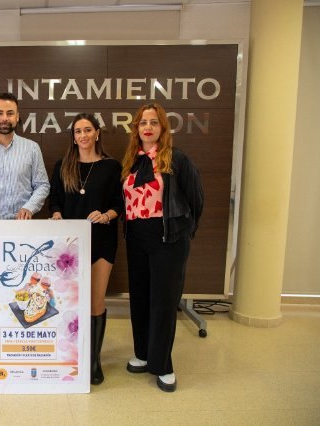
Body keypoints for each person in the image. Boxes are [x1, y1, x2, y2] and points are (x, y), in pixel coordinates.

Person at [121, 103, 203, 392]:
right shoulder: (131, 161)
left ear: (162, 128)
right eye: (143, 123)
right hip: (136, 239)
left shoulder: (176, 159)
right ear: (136, 128)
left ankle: (163, 364)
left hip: (168, 240)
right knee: (140, 299)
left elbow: (196, 200)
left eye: (154, 122)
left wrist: (184, 231)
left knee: (163, 303)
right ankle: (143, 354)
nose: (148, 127)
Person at [49, 113, 123, 385]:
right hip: (69, 247)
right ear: (73, 137)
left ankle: (93, 360)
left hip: (102, 240)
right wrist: (56, 213)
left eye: (88, 130)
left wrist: (106, 215)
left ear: (97, 133)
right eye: (78, 131)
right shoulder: (63, 166)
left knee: (95, 301)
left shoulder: (111, 166)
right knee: (69, 302)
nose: (83, 135)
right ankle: (72, 355)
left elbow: (119, 204)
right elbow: (54, 199)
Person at [0, 92, 50, 220]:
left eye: (10, 113)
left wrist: (29, 208)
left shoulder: (32, 148)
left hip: (23, 225)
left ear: (17, 117)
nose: (5, 118)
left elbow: (42, 185)